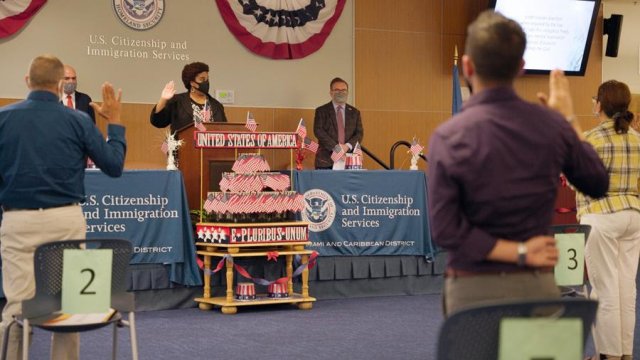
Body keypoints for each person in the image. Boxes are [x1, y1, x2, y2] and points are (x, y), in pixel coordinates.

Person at [427, 10, 609, 316]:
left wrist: (520, 252)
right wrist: (568, 118)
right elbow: (598, 181)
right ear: (521, 68)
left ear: (467, 66)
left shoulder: (448, 136)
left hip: (471, 296)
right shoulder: (553, 126)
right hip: (536, 290)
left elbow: (444, 231)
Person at [0, 54, 126, 360]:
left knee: (17, 307)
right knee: (70, 305)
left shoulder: (3, 118)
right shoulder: (78, 120)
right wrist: (116, 123)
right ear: (60, 85)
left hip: (18, 220)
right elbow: (112, 166)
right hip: (66, 220)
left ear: (27, 82)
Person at [576, 80, 640, 360]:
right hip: (633, 216)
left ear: (599, 105)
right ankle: (625, 353)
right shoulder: (637, 138)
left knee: (604, 290)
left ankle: (609, 355)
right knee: (627, 288)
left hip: (601, 217)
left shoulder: (590, 139)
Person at [150, 61, 227, 133]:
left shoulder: (217, 105)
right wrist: (163, 99)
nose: (206, 82)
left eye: (207, 79)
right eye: (202, 79)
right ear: (192, 83)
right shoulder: (177, 101)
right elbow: (158, 122)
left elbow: (225, 130)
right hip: (184, 147)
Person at [313, 77, 364, 169]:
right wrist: (336, 148)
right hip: (326, 161)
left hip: (349, 160)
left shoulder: (355, 112)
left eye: (344, 90)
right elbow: (318, 131)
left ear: (347, 92)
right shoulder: (321, 111)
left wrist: (347, 146)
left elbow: (359, 133)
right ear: (331, 93)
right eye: (337, 90)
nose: (341, 92)